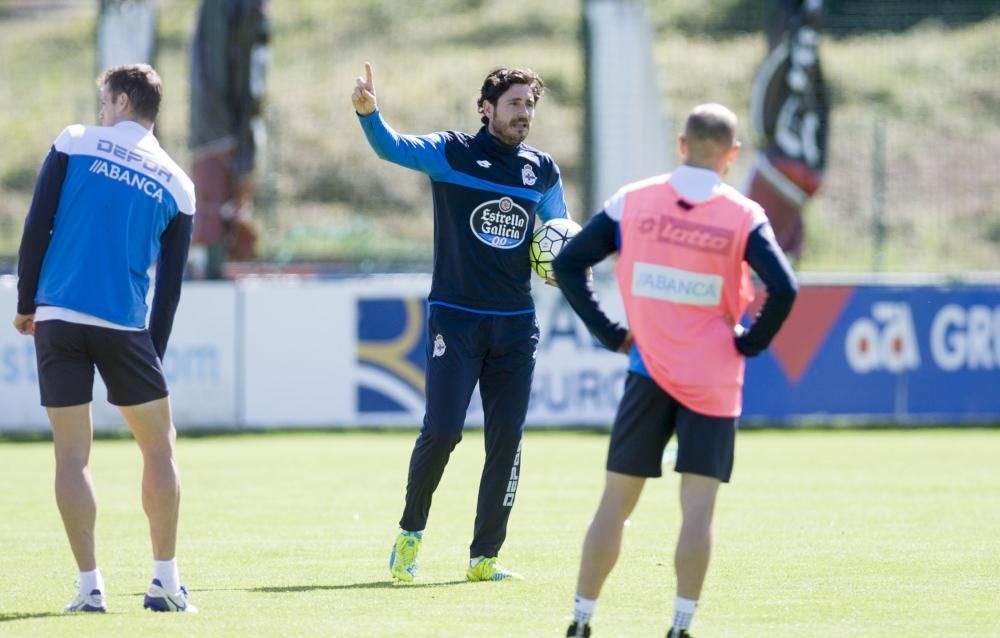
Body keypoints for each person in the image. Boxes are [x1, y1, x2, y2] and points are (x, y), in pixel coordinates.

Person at [553, 104, 798, 637]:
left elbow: (569, 262)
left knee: (614, 504)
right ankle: (681, 625)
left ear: (682, 144)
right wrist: (749, 344)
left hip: (647, 368)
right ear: (732, 155)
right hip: (714, 378)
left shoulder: (633, 201)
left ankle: (581, 619)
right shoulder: (743, 214)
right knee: (698, 512)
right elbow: (784, 288)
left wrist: (610, 332)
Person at [352, 62, 572, 583]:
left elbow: (560, 231)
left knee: (507, 441)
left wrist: (566, 264)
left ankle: (484, 557)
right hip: (457, 317)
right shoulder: (452, 151)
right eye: (515, 103)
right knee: (444, 430)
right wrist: (369, 116)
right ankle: (410, 534)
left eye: (530, 105)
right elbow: (393, 148)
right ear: (486, 108)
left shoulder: (541, 170)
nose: (525, 114)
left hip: (517, 323)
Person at [13, 64, 197, 613]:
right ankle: (164, 584)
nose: (100, 111)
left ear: (120, 99)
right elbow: (169, 290)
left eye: (104, 101)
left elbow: (36, 225)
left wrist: (28, 304)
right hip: (124, 326)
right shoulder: (179, 184)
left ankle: (89, 588)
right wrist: (152, 359)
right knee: (158, 447)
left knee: (72, 456)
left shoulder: (73, 141)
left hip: (60, 317)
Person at [187, 0, 270, 279]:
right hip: (220, 132)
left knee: (220, 213)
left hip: (229, 129)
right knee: (212, 214)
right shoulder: (226, 10)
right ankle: (211, 267)